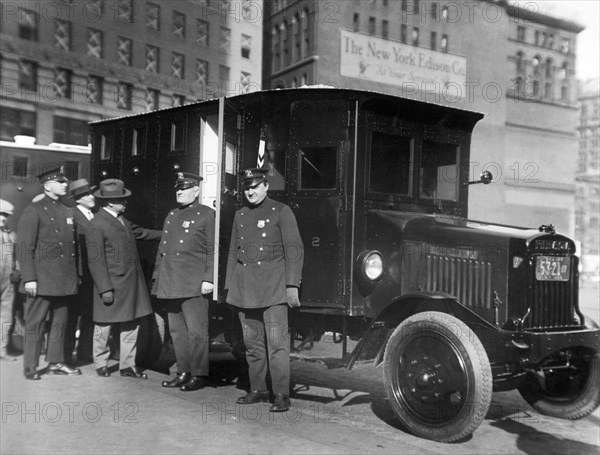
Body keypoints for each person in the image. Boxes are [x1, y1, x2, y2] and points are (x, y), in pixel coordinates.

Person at [225, 167, 304, 412]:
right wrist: (230, 288)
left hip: (273, 290)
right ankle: (258, 389)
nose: (250, 191)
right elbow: (232, 254)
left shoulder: (281, 211)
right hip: (245, 289)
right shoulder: (240, 214)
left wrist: (292, 285)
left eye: (255, 186)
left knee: (277, 343)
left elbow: (294, 249)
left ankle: (281, 394)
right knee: (252, 344)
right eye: (247, 187)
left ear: (266, 186)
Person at [86, 179, 161, 378]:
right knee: (103, 324)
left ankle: (127, 365)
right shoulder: (97, 224)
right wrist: (104, 289)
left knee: (131, 324)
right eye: (122, 200)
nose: (126, 203)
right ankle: (101, 363)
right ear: (110, 202)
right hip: (112, 285)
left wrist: (167, 234)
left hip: (130, 284)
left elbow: (142, 233)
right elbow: (96, 260)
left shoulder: (122, 220)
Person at [152, 172, 215, 391]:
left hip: (193, 284)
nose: (179, 191)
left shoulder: (207, 214)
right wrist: (158, 280)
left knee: (197, 332)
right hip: (170, 283)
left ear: (196, 191)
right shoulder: (171, 215)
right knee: (177, 332)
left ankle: (199, 374)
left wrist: (209, 278)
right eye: (178, 188)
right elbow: (163, 251)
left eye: (185, 188)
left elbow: (212, 249)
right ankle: (183, 372)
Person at [17, 166, 82, 380]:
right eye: (61, 182)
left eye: (65, 182)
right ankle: (30, 366)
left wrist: (76, 276)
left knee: (60, 323)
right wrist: (29, 278)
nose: (65, 185)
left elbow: (73, 247)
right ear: (47, 186)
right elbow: (24, 247)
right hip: (41, 280)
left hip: (63, 279)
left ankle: (56, 361)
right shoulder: (34, 210)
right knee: (35, 324)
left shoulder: (67, 210)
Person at [66, 179, 97, 365]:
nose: (91, 197)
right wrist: (76, 274)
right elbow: (73, 249)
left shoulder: (93, 215)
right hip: (79, 276)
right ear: (78, 199)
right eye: (86, 195)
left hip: (92, 276)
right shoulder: (73, 216)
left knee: (89, 315)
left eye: (91, 193)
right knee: (72, 317)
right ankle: (67, 356)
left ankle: (85, 353)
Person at [1, 199, 21, 361]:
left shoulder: (8, 233)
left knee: (6, 316)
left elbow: (17, 255)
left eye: (5, 215)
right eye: (0, 214)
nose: (3, 218)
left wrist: (18, 269)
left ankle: (1, 350)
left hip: (7, 281)